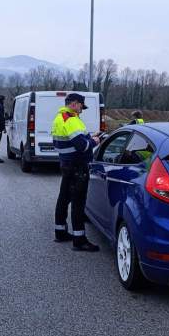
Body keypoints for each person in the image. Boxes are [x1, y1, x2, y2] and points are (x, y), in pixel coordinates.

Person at [52, 93, 102, 252]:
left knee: (64, 198)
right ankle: (79, 240)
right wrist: (94, 141)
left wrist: (87, 138)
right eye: (81, 106)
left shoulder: (60, 118)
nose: (82, 110)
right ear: (74, 104)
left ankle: (60, 232)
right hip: (78, 166)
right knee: (78, 203)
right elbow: (82, 146)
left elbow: (63, 142)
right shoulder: (72, 119)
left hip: (66, 164)